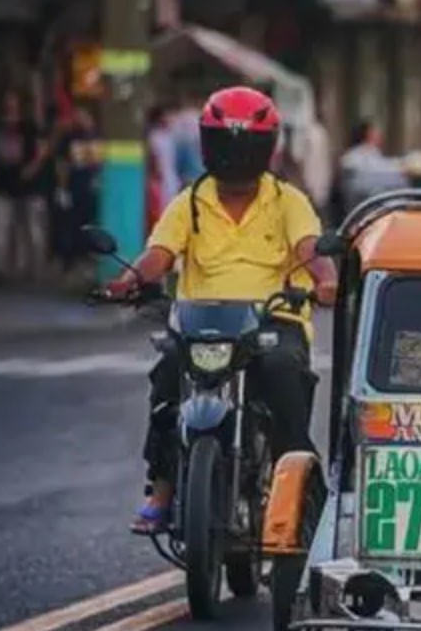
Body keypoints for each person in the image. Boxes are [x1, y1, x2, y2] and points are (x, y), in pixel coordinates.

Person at [102, 87, 339, 533]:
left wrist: (326, 281)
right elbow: (161, 252)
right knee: (169, 375)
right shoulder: (190, 201)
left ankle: (299, 492)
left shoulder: (288, 200)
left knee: (284, 373)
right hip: (202, 321)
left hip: (274, 321)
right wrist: (131, 280)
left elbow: (310, 247)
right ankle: (164, 488)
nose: (235, 153)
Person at [0, 90, 49, 282]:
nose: (10, 106)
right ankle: (0, 270)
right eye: (7, 102)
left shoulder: (28, 127)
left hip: (28, 186)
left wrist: (32, 168)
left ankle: (35, 270)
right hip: (3, 185)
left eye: (13, 102)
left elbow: (42, 149)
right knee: (1, 231)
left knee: (32, 231)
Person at [52, 107, 101, 277]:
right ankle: (68, 261)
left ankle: (86, 257)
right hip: (74, 187)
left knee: (90, 224)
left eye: (84, 116)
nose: (81, 120)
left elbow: (101, 164)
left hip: (92, 189)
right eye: (78, 116)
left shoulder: (98, 137)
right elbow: (62, 165)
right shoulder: (70, 138)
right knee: (71, 226)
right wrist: (62, 188)